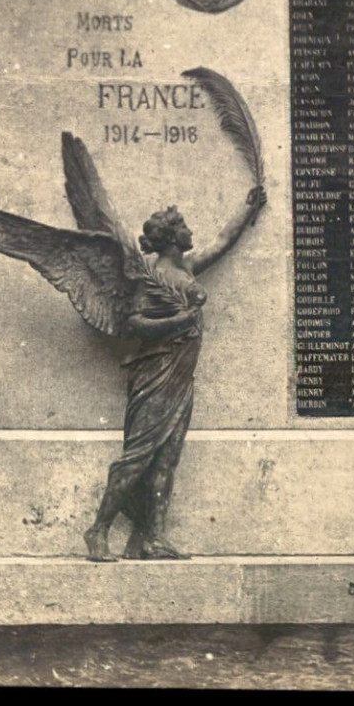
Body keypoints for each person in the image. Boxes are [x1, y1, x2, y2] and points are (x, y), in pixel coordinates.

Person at [84, 189, 266, 561]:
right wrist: (181, 319)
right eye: (183, 226)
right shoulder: (147, 274)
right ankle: (97, 530)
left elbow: (222, 242)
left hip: (183, 373)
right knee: (136, 457)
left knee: (167, 459)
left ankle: (154, 537)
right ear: (170, 237)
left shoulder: (187, 267)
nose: (190, 231)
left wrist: (248, 208)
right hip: (156, 372)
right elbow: (134, 322)